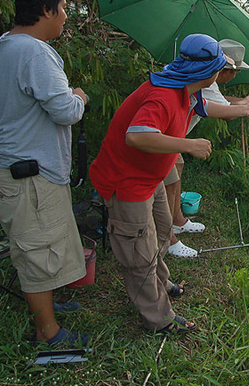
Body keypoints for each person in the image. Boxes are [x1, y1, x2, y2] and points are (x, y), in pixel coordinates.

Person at [89, 33, 227, 333]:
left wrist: (244, 108)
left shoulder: (185, 90)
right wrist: (188, 145)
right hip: (127, 183)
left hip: (150, 179)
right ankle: (158, 318)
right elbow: (137, 135)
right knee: (139, 251)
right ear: (209, 72)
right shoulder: (164, 95)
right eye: (218, 67)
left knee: (162, 230)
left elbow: (207, 107)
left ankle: (161, 282)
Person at [0, 0, 90, 347]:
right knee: (37, 252)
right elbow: (65, 111)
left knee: (47, 241)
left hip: (22, 169)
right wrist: (80, 96)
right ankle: (48, 332)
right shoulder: (34, 52)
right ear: (46, 10)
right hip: (27, 174)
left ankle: (51, 308)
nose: (65, 16)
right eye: (62, 8)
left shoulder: (6, 44)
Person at [162, 39, 249, 258]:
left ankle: (177, 221)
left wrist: (247, 101)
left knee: (177, 168)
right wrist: (246, 106)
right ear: (222, 70)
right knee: (169, 179)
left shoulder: (201, 81)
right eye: (235, 71)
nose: (236, 76)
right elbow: (223, 109)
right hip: (165, 138)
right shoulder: (199, 81)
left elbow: (217, 102)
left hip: (173, 136)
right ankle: (168, 238)